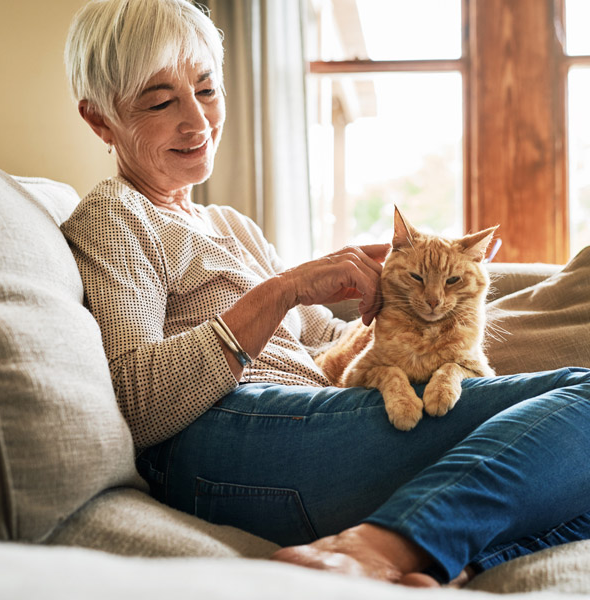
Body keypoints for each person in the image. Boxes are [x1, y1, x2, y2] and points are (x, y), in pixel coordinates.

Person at [62, 0, 590, 587]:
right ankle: (381, 547)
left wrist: (399, 298)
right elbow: (136, 403)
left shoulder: (231, 225)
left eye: (207, 90)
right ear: (100, 120)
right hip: (226, 439)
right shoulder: (115, 215)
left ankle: (447, 553)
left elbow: (335, 340)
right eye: (161, 102)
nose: (198, 121)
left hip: (321, 416)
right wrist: (284, 289)